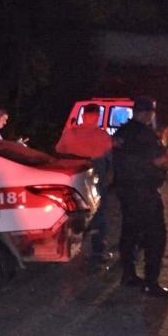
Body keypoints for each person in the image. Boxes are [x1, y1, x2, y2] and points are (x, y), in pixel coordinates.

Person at [113, 96, 168, 297]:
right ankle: (151, 283)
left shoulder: (122, 131)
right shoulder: (145, 135)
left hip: (125, 189)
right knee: (155, 236)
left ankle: (129, 275)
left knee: (130, 232)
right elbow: (155, 161)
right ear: (148, 113)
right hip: (144, 191)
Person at [55, 103, 113, 265]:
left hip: (72, 183)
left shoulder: (70, 133)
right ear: (97, 117)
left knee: (72, 216)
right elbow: (110, 160)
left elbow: (58, 151)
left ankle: (68, 248)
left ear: (83, 115)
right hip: (94, 183)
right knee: (98, 215)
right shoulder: (102, 136)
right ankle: (97, 251)